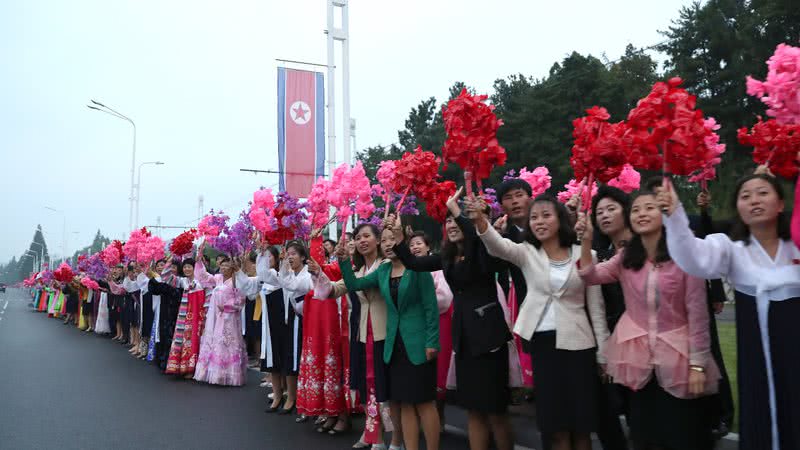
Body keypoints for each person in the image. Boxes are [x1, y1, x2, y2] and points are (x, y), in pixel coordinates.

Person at [659, 174, 800, 450]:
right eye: (745, 196)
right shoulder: (730, 249)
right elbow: (692, 256)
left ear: (781, 203)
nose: (754, 200)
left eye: (762, 193)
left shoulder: (796, 246)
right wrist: (674, 214)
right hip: (756, 361)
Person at [576, 190, 719, 450]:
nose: (641, 214)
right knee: (644, 432)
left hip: (679, 356)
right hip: (638, 356)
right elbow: (591, 276)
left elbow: (698, 315)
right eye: (636, 209)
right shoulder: (627, 255)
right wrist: (585, 242)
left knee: (682, 432)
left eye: (649, 208)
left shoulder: (685, 255)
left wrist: (698, 365)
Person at [469, 193, 609, 450]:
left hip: (579, 347)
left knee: (581, 427)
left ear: (561, 220)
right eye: (534, 217)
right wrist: (480, 221)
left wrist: (603, 353)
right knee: (554, 426)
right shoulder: (527, 253)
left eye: (546, 215)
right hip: (543, 346)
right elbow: (498, 246)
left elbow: (596, 308)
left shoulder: (585, 253)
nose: (539, 221)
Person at [389, 188, 514, 450]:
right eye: (447, 220)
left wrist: (458, 210)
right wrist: (400, 237)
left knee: (495, 410)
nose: (451, 223)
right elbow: (413, 262)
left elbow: (477, 237)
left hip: (489, 337)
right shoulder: (447, 257)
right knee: (473, 409)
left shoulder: (484, 249)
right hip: (465, 338)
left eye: (455, 219)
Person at [339, 225, 441, 450]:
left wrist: (432, 341)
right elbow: (355, 284)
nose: (387, 244)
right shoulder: (383, 272)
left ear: (401, 239)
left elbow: (430, 308)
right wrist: (344, 260)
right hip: (394, 345)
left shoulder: (417, 267)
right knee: (403, 402)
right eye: (384, 240)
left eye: (391, 238)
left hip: (418, 344)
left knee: (423, 403)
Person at [313, 224, 402, 450]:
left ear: (378, 240)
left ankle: (398, 440)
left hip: (386, 333)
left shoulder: (386, 265)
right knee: (368, 386)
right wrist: (318, 274)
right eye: (358, 237)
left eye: (366, 236)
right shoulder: (358, 270)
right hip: (362, 334)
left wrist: (343, 265)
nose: (362, 241)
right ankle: (375, 436)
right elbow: (331, 291)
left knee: (389, 388)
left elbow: (356, 285)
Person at [587, 185, 632, 450]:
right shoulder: (599, 254)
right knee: (606, 413)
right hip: (610, 338)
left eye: (611, 209)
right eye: (599, 211)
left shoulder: (645, 247)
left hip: (642, 338)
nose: (604, 215)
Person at [300, 234, 351, 434]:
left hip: (343, 322)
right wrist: (315, 240)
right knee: (328, 364)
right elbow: (321, 268)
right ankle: (331, 412)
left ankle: (344, 415)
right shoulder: (335, 267)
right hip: (328, 320)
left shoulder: (356, 267)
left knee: (338, 366)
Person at [256, 241, 313, 415]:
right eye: (287, 253)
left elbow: (293, 286)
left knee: (294, 359)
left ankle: (294, 397)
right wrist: (262, 252)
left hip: (301, 321)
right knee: (282, 358)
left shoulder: (306, 276)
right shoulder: (284, 273)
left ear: (303, 257)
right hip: (284, 321)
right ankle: (281, 396)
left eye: (294, 253)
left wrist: (284, 270)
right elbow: (264, 274)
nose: (289, 256)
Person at [406, 230, 454, 430]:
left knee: (438, 372)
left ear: (428, 246)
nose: (415, 247)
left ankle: (439, 415)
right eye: (412, 244)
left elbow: (444, 298)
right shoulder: (408, 268)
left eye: (419, 243)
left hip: (437, 324)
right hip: (414, 327)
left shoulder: (437, 267)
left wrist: (419, 305)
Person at [190, 252, 249, 386]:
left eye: (227, 266)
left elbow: (241, 299)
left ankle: (229, 374)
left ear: (233, 268)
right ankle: (214, 373)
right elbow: (203, 277)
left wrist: (228, 306)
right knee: (214, 341)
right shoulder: (218, 278)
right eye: (222, 266)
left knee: (227, 342)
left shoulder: (236, 281)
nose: (223, 268)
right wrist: (199, 261)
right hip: (214, 316)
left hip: (229, 317)